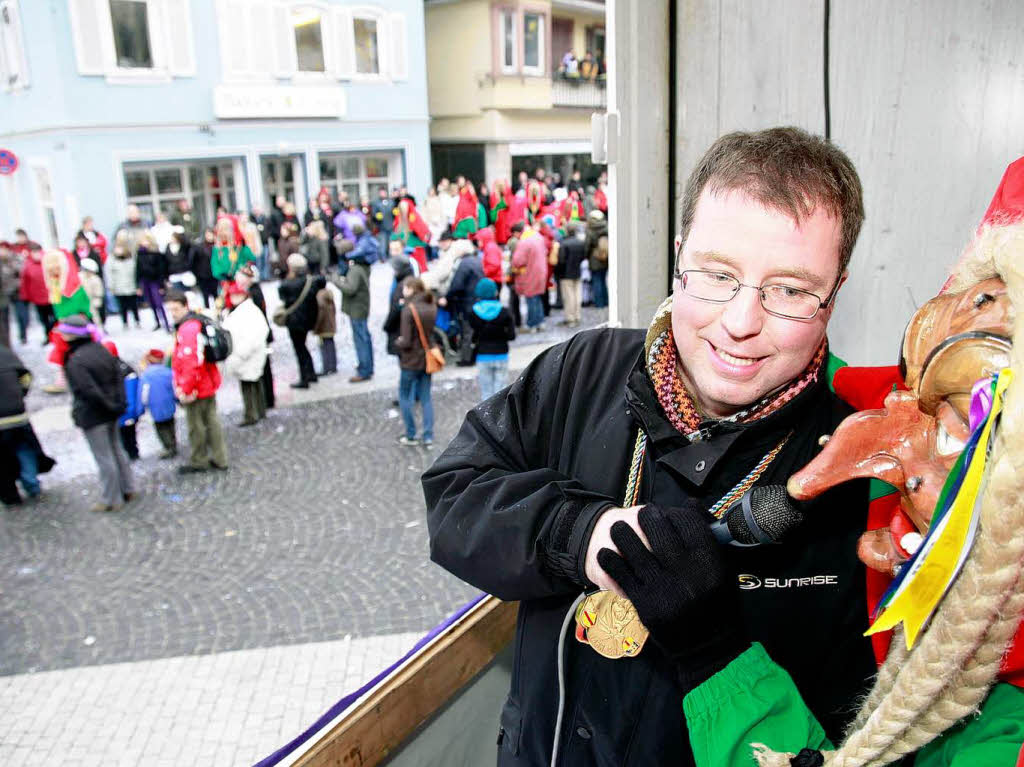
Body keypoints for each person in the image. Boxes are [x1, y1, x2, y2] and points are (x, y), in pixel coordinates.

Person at [423, 127, 885, 766]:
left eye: (790, 290)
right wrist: (578, 534)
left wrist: (714, 646)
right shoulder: (582, 369)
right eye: (718, 274)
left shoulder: (872, 477)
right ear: (678, 260)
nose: (741, 321)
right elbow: (453, 493)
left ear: (834, 294)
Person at [60, 315, 134, 512]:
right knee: (117, 450)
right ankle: (128, 488)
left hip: (94, 414)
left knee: (104, 457)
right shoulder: (101, 349)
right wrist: (118, 403)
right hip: (111, 410)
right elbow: (118, 376)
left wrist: (108, 405)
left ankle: (112, 498)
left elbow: (88, 390)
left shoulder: (75, 360)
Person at [166, 291, 229, 473]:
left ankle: (199, 459)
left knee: (197, 425)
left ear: (185, 306)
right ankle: (219, 457)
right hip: (206, 381)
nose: (173, 314)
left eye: (175, 309)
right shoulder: (195, 323)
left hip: (197, 386)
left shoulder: (188, 329)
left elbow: (190, 362)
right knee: (211, 420)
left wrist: (186, 389)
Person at [0, 345, 53, 505]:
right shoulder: (5, 352)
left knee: (2, 460)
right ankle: (32, 485)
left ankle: (10, 496)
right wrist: (19, 394)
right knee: (24, 449)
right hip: (18, 415)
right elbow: (25, 377)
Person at [221, 281, 269, 427]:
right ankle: (259, 411)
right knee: (252, 383)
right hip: (246, 355)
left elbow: (255, 335)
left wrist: (241, 354)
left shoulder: (248, 311)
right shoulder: (242, 310)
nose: (235, 297)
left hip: (247, 355)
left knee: (249, 385)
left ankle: (252, 414)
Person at [395, 277, 436, 447]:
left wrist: (396, 342)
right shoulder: (431, 306)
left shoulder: (408, 310)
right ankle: (428, 436)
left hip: (410, 360)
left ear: (411, 289)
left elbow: (405, 341)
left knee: (405, 396)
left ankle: (411, 434)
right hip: (427, 359)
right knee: (426, 397)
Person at [334, 221, 377, 382]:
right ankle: (366, 366)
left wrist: (336, 280)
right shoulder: (359, 265)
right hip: (360, 306)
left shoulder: (355, 269)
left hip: (358, 308)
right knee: (363, 336)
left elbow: (350, 288)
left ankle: (365, 369)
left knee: (361, 338)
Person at [277, 254, 324, 389]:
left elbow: (282, 296)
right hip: (308, 319)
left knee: (300, 349)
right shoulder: (311, 281)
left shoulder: (287, 285)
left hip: (295, 321)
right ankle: (311, 373)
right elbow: (322, 281)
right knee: (303, 347)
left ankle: (305, 378)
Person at [467, 278, 515, 400]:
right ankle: (502, 418)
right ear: (495, 292)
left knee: (486, 393)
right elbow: (511, 336)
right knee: (501, 393)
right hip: (501, 354)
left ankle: (487, 418)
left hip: (482, 355)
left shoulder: (473, 312)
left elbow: (472, 333)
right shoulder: (504, 311)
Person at [235, 263, 275, 410]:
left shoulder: (254, 293)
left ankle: (267, 398)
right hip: (260, 333)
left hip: (259, 335)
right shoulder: (253, 291)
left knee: (263, 368)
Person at [510, 220, 549, 332]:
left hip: (530, 274)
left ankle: (532, 324)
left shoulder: (524, 242)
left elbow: (517, 261)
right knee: (537, 298)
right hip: (541, 271)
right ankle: (541, 322)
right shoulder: (538, 237)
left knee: (531, 298)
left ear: (518, 232)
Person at [139, 349, 177, 459]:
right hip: (169, 404)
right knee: (170, 424)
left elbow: (143, 394)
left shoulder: (146, 375)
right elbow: (174, 387)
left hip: (155, 407)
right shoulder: (168, 372)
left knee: (161, 427)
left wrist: (140, 409)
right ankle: (173, 444)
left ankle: (168, 447)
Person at [19, 244, 55, 341]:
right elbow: (25, 282)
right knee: (43, 319)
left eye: (38, 252)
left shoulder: (48, 262)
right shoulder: (28, 265)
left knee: (54, 318)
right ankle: (48, 335)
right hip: (37, 298)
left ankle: (54, 335)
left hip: (50, 296)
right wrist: (25, 297)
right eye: (34, 252)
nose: (36, 255)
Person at [135, 232, 170, 331]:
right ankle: (157, 322)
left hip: (155, 282)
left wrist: (161, 285)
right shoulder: (140, 254)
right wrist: (138, 285)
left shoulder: (156, 254)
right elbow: (138, 271)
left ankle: (166, 322)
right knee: (151, 303)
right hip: (145, 282)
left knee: (159, 303)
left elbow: (161, 270)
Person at [107, 230, 141, 327]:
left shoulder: (131, 254)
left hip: (130, 283)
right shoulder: (113, 256)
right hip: (119, 284)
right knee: (123, 305)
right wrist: (111, 285)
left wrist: (137, 284)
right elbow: (109, 271)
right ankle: (125, 322)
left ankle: (137, 320)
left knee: (133, 304)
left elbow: (135, 269)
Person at [557, 222, 586, 327]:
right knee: (577, 295)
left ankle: (570, 317)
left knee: (569, 296)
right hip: (577, 271)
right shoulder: (580, 242)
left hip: (566, 273)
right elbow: (583, 256)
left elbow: (561, 261)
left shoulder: (564, 244)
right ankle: (577, 315)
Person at [211, 218, 256, 283]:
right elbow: (215, 265)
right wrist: (222, 275)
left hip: (241, 282)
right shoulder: (217, 249)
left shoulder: (238, 247)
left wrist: (244, 245)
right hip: (225, 283)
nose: (223, 233)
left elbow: (251, 258)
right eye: (221, 230)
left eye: (226, 229)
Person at [585, 209, 609, 308]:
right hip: (605, 256)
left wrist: (586, 255)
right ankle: (606, 300)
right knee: (603, 280)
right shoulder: (606, 227)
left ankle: (599, 303)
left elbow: (587, 245)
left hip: (594, 258)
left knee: (596, 281)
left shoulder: (590, 229)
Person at [313, 282, 338, 377]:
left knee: (324, 346)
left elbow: (320, 313)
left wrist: (316, 327)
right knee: (330, 345)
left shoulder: (320, 296)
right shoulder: (328, 294)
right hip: (330, 325)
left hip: (323, 327)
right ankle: (332, 366)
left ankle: (327, 367)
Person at [193, 228, 219, 309]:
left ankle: (218, 310)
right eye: (208, 234)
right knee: (205, 295)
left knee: (216, 295)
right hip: (203, 275)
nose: (209, 236)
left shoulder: (217, 246)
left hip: (215, 275)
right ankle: (208, 309)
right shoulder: (199, 247)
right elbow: (194, 260)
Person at [371, 186, 396, 255]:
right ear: (379, 193)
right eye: (381, 192)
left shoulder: (391, 202)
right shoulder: (375, 203)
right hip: (382, 227)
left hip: (391, 226)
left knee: (391, 244)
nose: (383, 194)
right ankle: (383, 258)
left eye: (384, 192)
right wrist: (377, 216)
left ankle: (391, 257)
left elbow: (395, 213)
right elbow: (373, 215)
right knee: (383, 244)